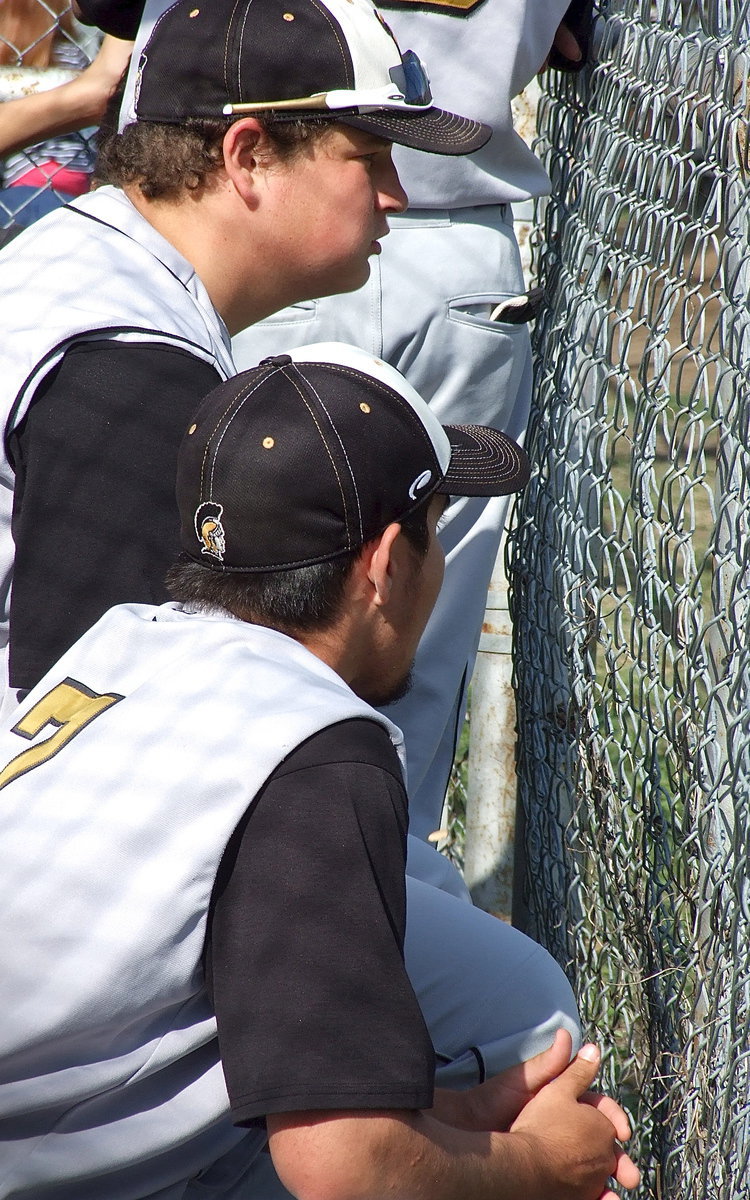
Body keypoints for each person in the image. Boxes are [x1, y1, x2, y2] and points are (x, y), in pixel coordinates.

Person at [0, 343, 638, 1200]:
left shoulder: (131, 641)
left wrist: (454, 1122)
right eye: (434, 530)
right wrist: (540, 1168)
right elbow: (341, 1167)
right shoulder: (310, 747)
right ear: (382, 565)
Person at [0, 0, 489, 716]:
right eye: (371, 159)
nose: (398, 198)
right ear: (249, 155)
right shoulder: (130, 364)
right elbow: (82, 721)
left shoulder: (97, 259)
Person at [230, 0, 596, 846]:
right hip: (464, 249)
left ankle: (263, 860)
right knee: (422, 617)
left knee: (258, 586)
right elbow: (572, 35)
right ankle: (390, 870)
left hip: (286, 218)